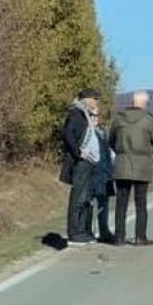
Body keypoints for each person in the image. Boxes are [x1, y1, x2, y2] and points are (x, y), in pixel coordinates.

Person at [110, 91, 153, 245]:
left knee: (121, 202)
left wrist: (121, 152)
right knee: (140, 203)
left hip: (122, 163)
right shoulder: (148, 120)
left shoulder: (118, 119)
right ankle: (140, 236)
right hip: (142, 165)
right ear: (145, 104)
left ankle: (119, 237)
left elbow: (111, 140)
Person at [59, 88, 101, 245]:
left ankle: (83, 230)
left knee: (86, 198)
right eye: (95, 99)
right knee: (78, 197)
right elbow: (68, 134)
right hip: (81, 162)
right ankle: (74, 232)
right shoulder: (76, 114)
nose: (96, 103)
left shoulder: (86, 116)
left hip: (89, 161)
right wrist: (78, 153)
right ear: (87, 100)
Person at [90, 111, 116, 244]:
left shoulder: (102, 132)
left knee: (104, 204)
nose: (95, 118)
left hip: (105, 172)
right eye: (92, 116)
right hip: (93, 172)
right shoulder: (88, 132)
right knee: (90, 203)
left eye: (96, 116)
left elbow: (108, 153)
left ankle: (104, 230)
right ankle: (89, 230)